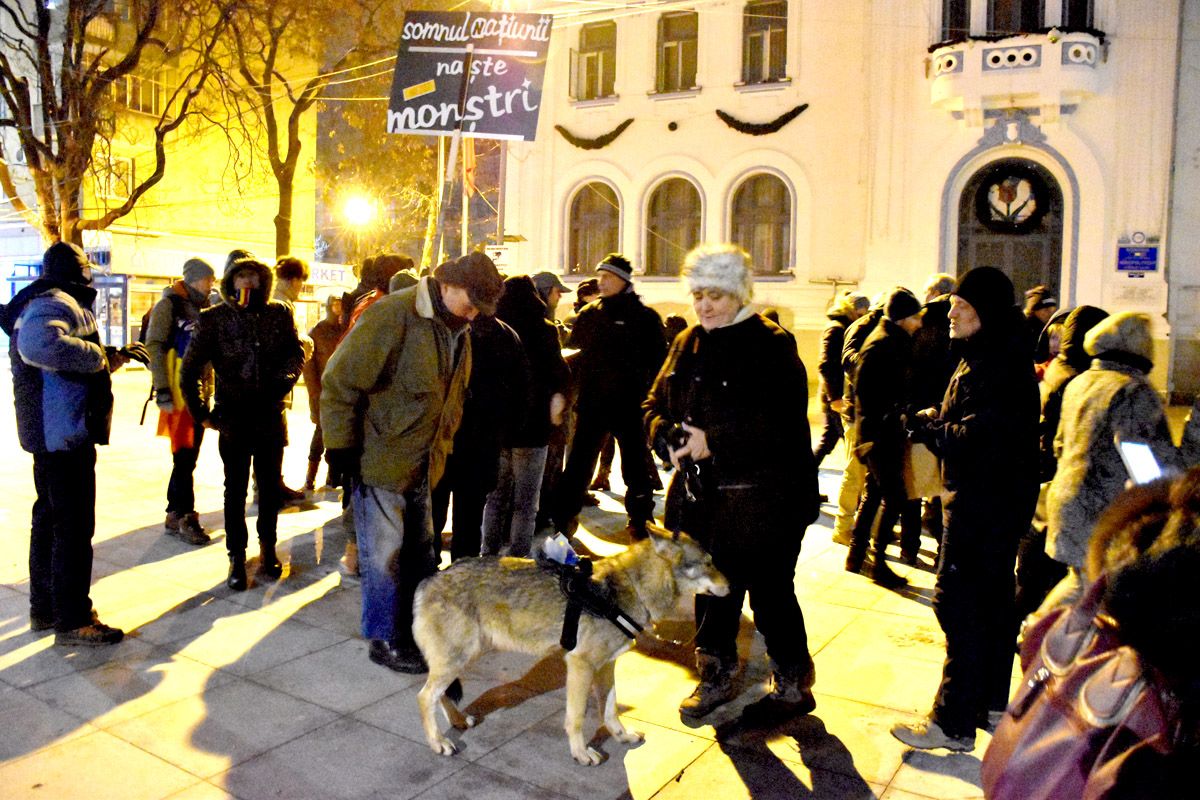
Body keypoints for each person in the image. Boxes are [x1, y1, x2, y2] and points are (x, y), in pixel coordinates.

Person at [646, 243, 821, 720]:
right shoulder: (687, 341)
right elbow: (653, 403)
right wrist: (664, 434)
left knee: (771, 593)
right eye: (698, 295)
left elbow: (781, 425)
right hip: (705, 501)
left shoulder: (770, 344)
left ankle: (792, 681)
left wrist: (714, 440)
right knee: (711, 591)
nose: (704, 306)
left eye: (716, 296)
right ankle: (715, 675)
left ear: (739, 294)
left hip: (765, 501)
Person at [320, 252, 504, 673]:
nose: (474, 313)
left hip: (425, 464)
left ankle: (418, 630)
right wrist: (341, 447)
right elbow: (339, 381)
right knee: (383, 558)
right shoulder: (393, 315)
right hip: (380, 461)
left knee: (421, 556)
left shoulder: (458, 328)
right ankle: (384, 638)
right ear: (448, 283)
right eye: (471, 302)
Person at [896, 266, 1040, 751]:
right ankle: (990, 704)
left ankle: (952, 721)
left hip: (983, 502)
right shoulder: (992, 352)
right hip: (995, 500)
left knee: (957, 603)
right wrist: (938, 415)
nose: (951, 313)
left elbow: (982, 437)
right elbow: (974, 418)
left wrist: (930, 430)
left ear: (985, 312)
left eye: (962, 306)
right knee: (993, 604)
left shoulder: (996, 362)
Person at [0, 241, 149, 645]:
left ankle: (47, 609)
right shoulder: (57, 301)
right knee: (73, 528)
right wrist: (97, 356)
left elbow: (59, 365)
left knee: (50, 523)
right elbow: (39, 345)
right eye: (87, 267)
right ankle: (73, 618)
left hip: (52, 434)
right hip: (63, 435)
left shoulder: (44, 299)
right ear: (78, 270)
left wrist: (110, 358)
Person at [1042, 311, 1200, 611]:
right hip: (1102, 514)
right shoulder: (1132, 391)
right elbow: (1148, 470)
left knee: (1082, 585)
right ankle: (1042, 633)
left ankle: (1039, 630)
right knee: (1098, 594)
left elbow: (1059, 443)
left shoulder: (1082, 382)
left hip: (1068, 506)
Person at [181, 257, 305, 591]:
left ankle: (268, 548)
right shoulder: (214, 318)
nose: (247, 282)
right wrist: (201, 412)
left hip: (270, 415)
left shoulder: (278, 313)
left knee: (269, 487)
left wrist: (284, 381)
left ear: (263, 281)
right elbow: (190, 369)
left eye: (253, 276)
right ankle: (236, 555)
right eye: (241, 276)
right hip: (234, 417)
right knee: (234, 490)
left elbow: (296, 353)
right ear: (230, 282)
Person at [553, 253, 665, 540]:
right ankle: (563, 522)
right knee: (578, 466)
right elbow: (574, 356)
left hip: (630, 405)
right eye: (599, 276)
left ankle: (640, 520)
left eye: (607, 277)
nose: (601, 282)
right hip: (593, 404)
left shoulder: (645, 318)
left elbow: (658, 364)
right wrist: (567, 393)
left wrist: (653, 402)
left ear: (623, 281)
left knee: (636, 465)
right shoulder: (589, 315)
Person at [431, 309, 529, 561]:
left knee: (432, 520)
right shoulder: (506, 335)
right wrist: (501, 435)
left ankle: (429, 577)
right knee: (468, 526)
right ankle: (461, 579)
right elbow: (520, 398)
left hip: (445, 443)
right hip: (479, 448)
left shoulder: (446, 330)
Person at [483, 275, 569, 557]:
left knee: (495, 498)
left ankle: (488, 553)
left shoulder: (495, 330)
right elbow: (559, 373)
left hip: (499, 429)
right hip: (533, 429)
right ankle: (518, 557)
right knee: (526, 503)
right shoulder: (545, 330)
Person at [845, 288, 923, 588]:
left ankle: (856, 556)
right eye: (915, 317)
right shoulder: (883, 344)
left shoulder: (892, 340)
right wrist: (894, 413)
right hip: (878, 436)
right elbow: (867, 391)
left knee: (875, 493)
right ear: (903, 318)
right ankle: (878, 563)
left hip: (878, 432)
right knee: (895, 496)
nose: (919, 323)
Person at [145, 257, 216, 545]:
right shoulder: (170, 305)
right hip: (177, 392)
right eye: (208, 278)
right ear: (193, 279)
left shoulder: (206, 306)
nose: (212, 284)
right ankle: (186, 516)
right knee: (184, 456)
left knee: (188, 457)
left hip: (199, 391)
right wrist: (162, 388)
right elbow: (155, 345)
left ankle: (174, 512)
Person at [270, 255, 313, 504]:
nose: (300, 289)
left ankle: (273, 482)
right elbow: (280, 343)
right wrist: (302, 345)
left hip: (276, 382)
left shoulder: (276, 299)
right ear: (294, 280)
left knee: (278, 436)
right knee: (274, 437)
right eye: (301, 283)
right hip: (275, 382)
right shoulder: (280, 304)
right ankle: (269, 486)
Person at [813, 292, 869, 468]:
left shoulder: (844, 326)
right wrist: (835, 398)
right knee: (849, 443)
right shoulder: (837, 328)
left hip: (837, 397)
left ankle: (802, 477)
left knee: (828, 441)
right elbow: (826, 365)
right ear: (853, 309)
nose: (864, 316)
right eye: (862, 311)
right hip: (837, 398)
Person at [302, 294, 344, 492]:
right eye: (334, 305)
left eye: (340, 305)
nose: (337, 308)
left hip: (340, 392)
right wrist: (314, 394)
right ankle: (310, 478)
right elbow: (309, 368)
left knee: (338, 436)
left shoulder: (345, 329)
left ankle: (332, 477)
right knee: (320, 435)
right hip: (323, 393)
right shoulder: (318, 332)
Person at [1023, 285, 1058, 361]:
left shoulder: (1051, 328)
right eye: (1046, 310)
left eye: (1053, 310)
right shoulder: (1024, 330)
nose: (1050, 314)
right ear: (1034, 311)